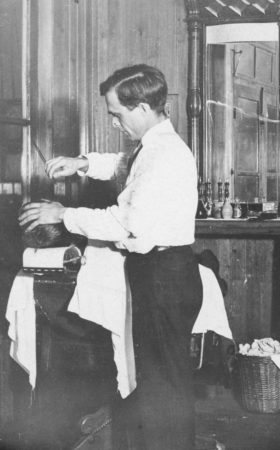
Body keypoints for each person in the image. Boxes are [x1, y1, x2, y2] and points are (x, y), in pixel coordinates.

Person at [18, 64, 202, 450]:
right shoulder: (152, 147)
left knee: (163, 389)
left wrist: (62, 214)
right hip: (160, 273)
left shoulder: (164, 154)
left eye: (117, 114)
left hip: (164, 276)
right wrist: (82, 163)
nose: (116, 123)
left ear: (141, 108)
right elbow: (124, 166)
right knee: (159, 384)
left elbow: (125, 224)